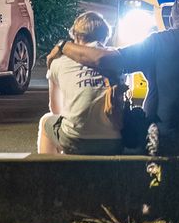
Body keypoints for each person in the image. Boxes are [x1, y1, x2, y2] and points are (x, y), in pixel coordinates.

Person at [50, 0, 179, 155]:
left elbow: (104, 60)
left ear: (172, 20)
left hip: (162, 139)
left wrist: (63, 45)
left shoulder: (157, 42)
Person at [37, 11, 124, 155]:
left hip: (75, 140)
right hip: (114, 141)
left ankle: (47, 173)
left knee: (46, 120)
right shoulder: (114, 59)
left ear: (76, 36)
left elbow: (55, 109)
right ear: (104, 37)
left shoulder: (58, 62)